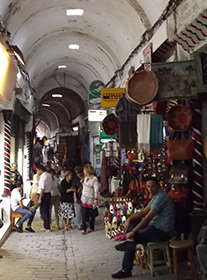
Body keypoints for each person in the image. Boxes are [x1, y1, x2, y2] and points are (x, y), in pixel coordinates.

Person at [111, 177, 175, 279]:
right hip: (155, 226)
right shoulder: (155, 196)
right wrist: (129, 219)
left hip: (163, 231)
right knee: (134, 222)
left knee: (134, 237)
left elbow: (147, 219)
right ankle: (129, 242)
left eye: (153, 186)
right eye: (148, 187)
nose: (150, 189)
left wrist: (132, 232)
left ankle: (126, 269)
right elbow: (143, 212)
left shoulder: (161, 197)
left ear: (158, 186)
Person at [81, 164, 99, 235]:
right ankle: (84, 228)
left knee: (92, 214)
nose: (84, 172)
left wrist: (96, 198)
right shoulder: (85, 178)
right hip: (84, 198)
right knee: (84, 214)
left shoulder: (94, 179)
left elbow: (96, 189)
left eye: (84, 170)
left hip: (91, 199)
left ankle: (91, 227)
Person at [36, 164, 52, 232]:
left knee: (43, 211)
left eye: (37, 170)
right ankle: (48, 224)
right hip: (48, 193)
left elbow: (42, 188)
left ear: (40, 170)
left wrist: (40, 198)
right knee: (47, 210)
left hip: (43, 194)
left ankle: (46, 226)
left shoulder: (43, 177)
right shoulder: (49, 175)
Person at [72, 165, 84, 230]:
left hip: (84, 196)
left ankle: (84, 222)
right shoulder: (75, 179)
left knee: (83, 211)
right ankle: (80, 224)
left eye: (79, 173)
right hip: (78, 196)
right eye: (77, 173)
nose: (78, 174)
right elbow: (74, 189)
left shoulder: (84, 178)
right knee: (78, 211)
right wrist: (75, 197)